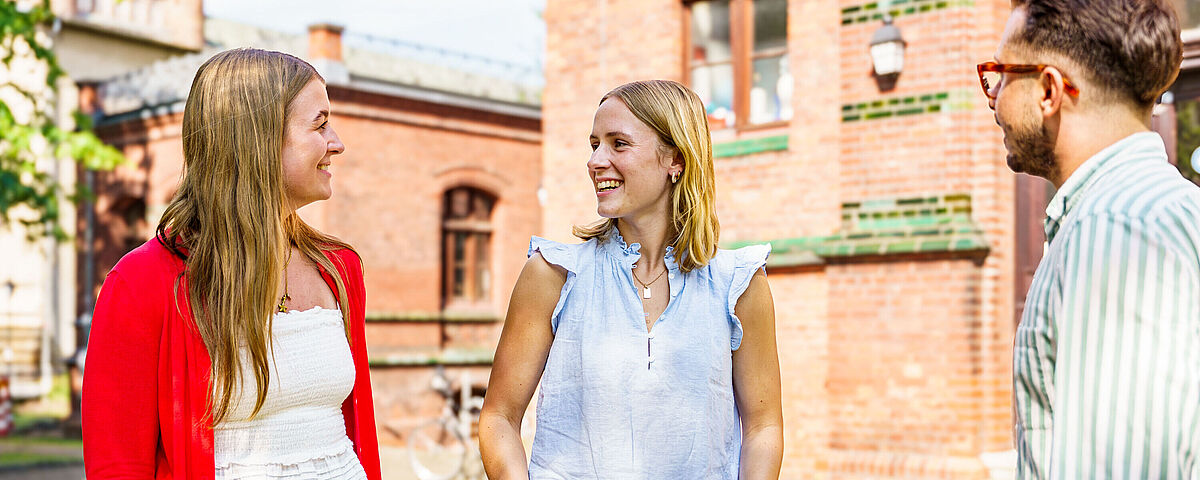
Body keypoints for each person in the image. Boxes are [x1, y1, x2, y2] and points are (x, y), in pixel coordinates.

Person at [81, 48, 381, 479]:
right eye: (320, 124)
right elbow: (118, 463)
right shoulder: (142, 283)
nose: (337, 142)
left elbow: (360, 434)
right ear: (257, 139)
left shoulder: (340, 269)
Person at [478, 79, 784, 479]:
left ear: (675, 159)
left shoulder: (738, 285)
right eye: (594, 145)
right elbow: (499, 417)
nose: (595, 161)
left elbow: (764, 428)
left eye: (618, 143)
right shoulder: (553, 274)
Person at [981, 1, 1200, 477]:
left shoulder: (1115, 231)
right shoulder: (1169, 207)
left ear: (1048, 91)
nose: (993, 95)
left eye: (1000, 73)